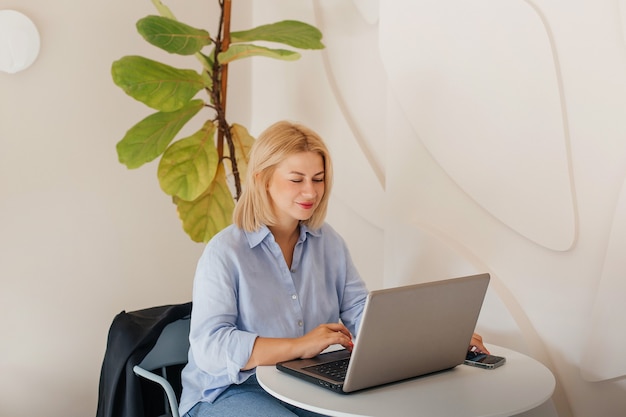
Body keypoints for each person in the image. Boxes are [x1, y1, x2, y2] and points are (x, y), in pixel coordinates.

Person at [179, 121, 489, 417]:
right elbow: (211, 346)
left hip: (303, 383)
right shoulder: (225, 252)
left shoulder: (328, 243)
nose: (311, 192)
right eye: (297, 179)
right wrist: (300, 346)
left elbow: (361, 313)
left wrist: (436, 339)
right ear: (262, 179)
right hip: (230, 390)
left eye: (318, 178)